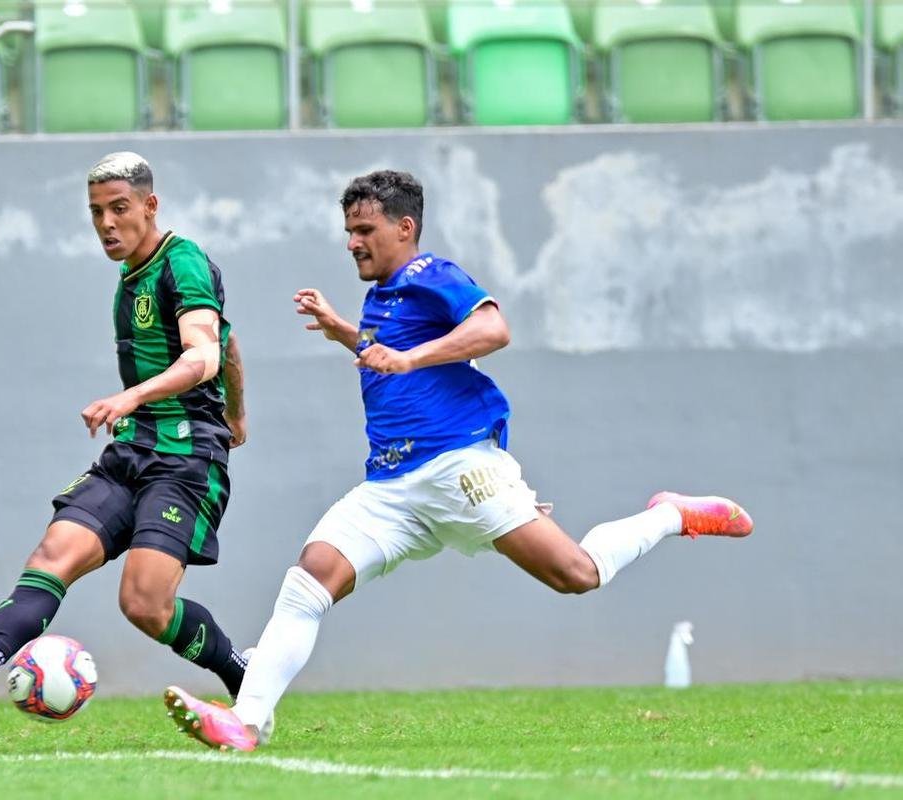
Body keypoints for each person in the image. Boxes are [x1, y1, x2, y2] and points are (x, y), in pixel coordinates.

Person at [162, 170, 754, 751]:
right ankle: (248, 721)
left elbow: (493, 329)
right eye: (348, 231)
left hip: (458, 467)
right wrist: (345, 331)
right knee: (310, 577)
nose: (352, 243)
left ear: (405, 228)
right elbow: (387, 353)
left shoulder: (432, 274)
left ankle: (671, 515)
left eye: (365, 230)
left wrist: (411, 359)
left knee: (576, 574)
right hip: (390, 485)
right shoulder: (381, 296)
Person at [0, 151, 253, 714]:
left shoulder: (183, 261)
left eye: (119, 208)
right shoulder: (131, 275)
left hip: (185, 457)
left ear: (150, 205)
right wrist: (238, 412)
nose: (106, 223)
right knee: (53, 553)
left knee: (144, 603)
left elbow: (204, 353)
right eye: (96, 211)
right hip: (133, 449)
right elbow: (228, 341)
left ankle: (242, 674)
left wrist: (133, 397)